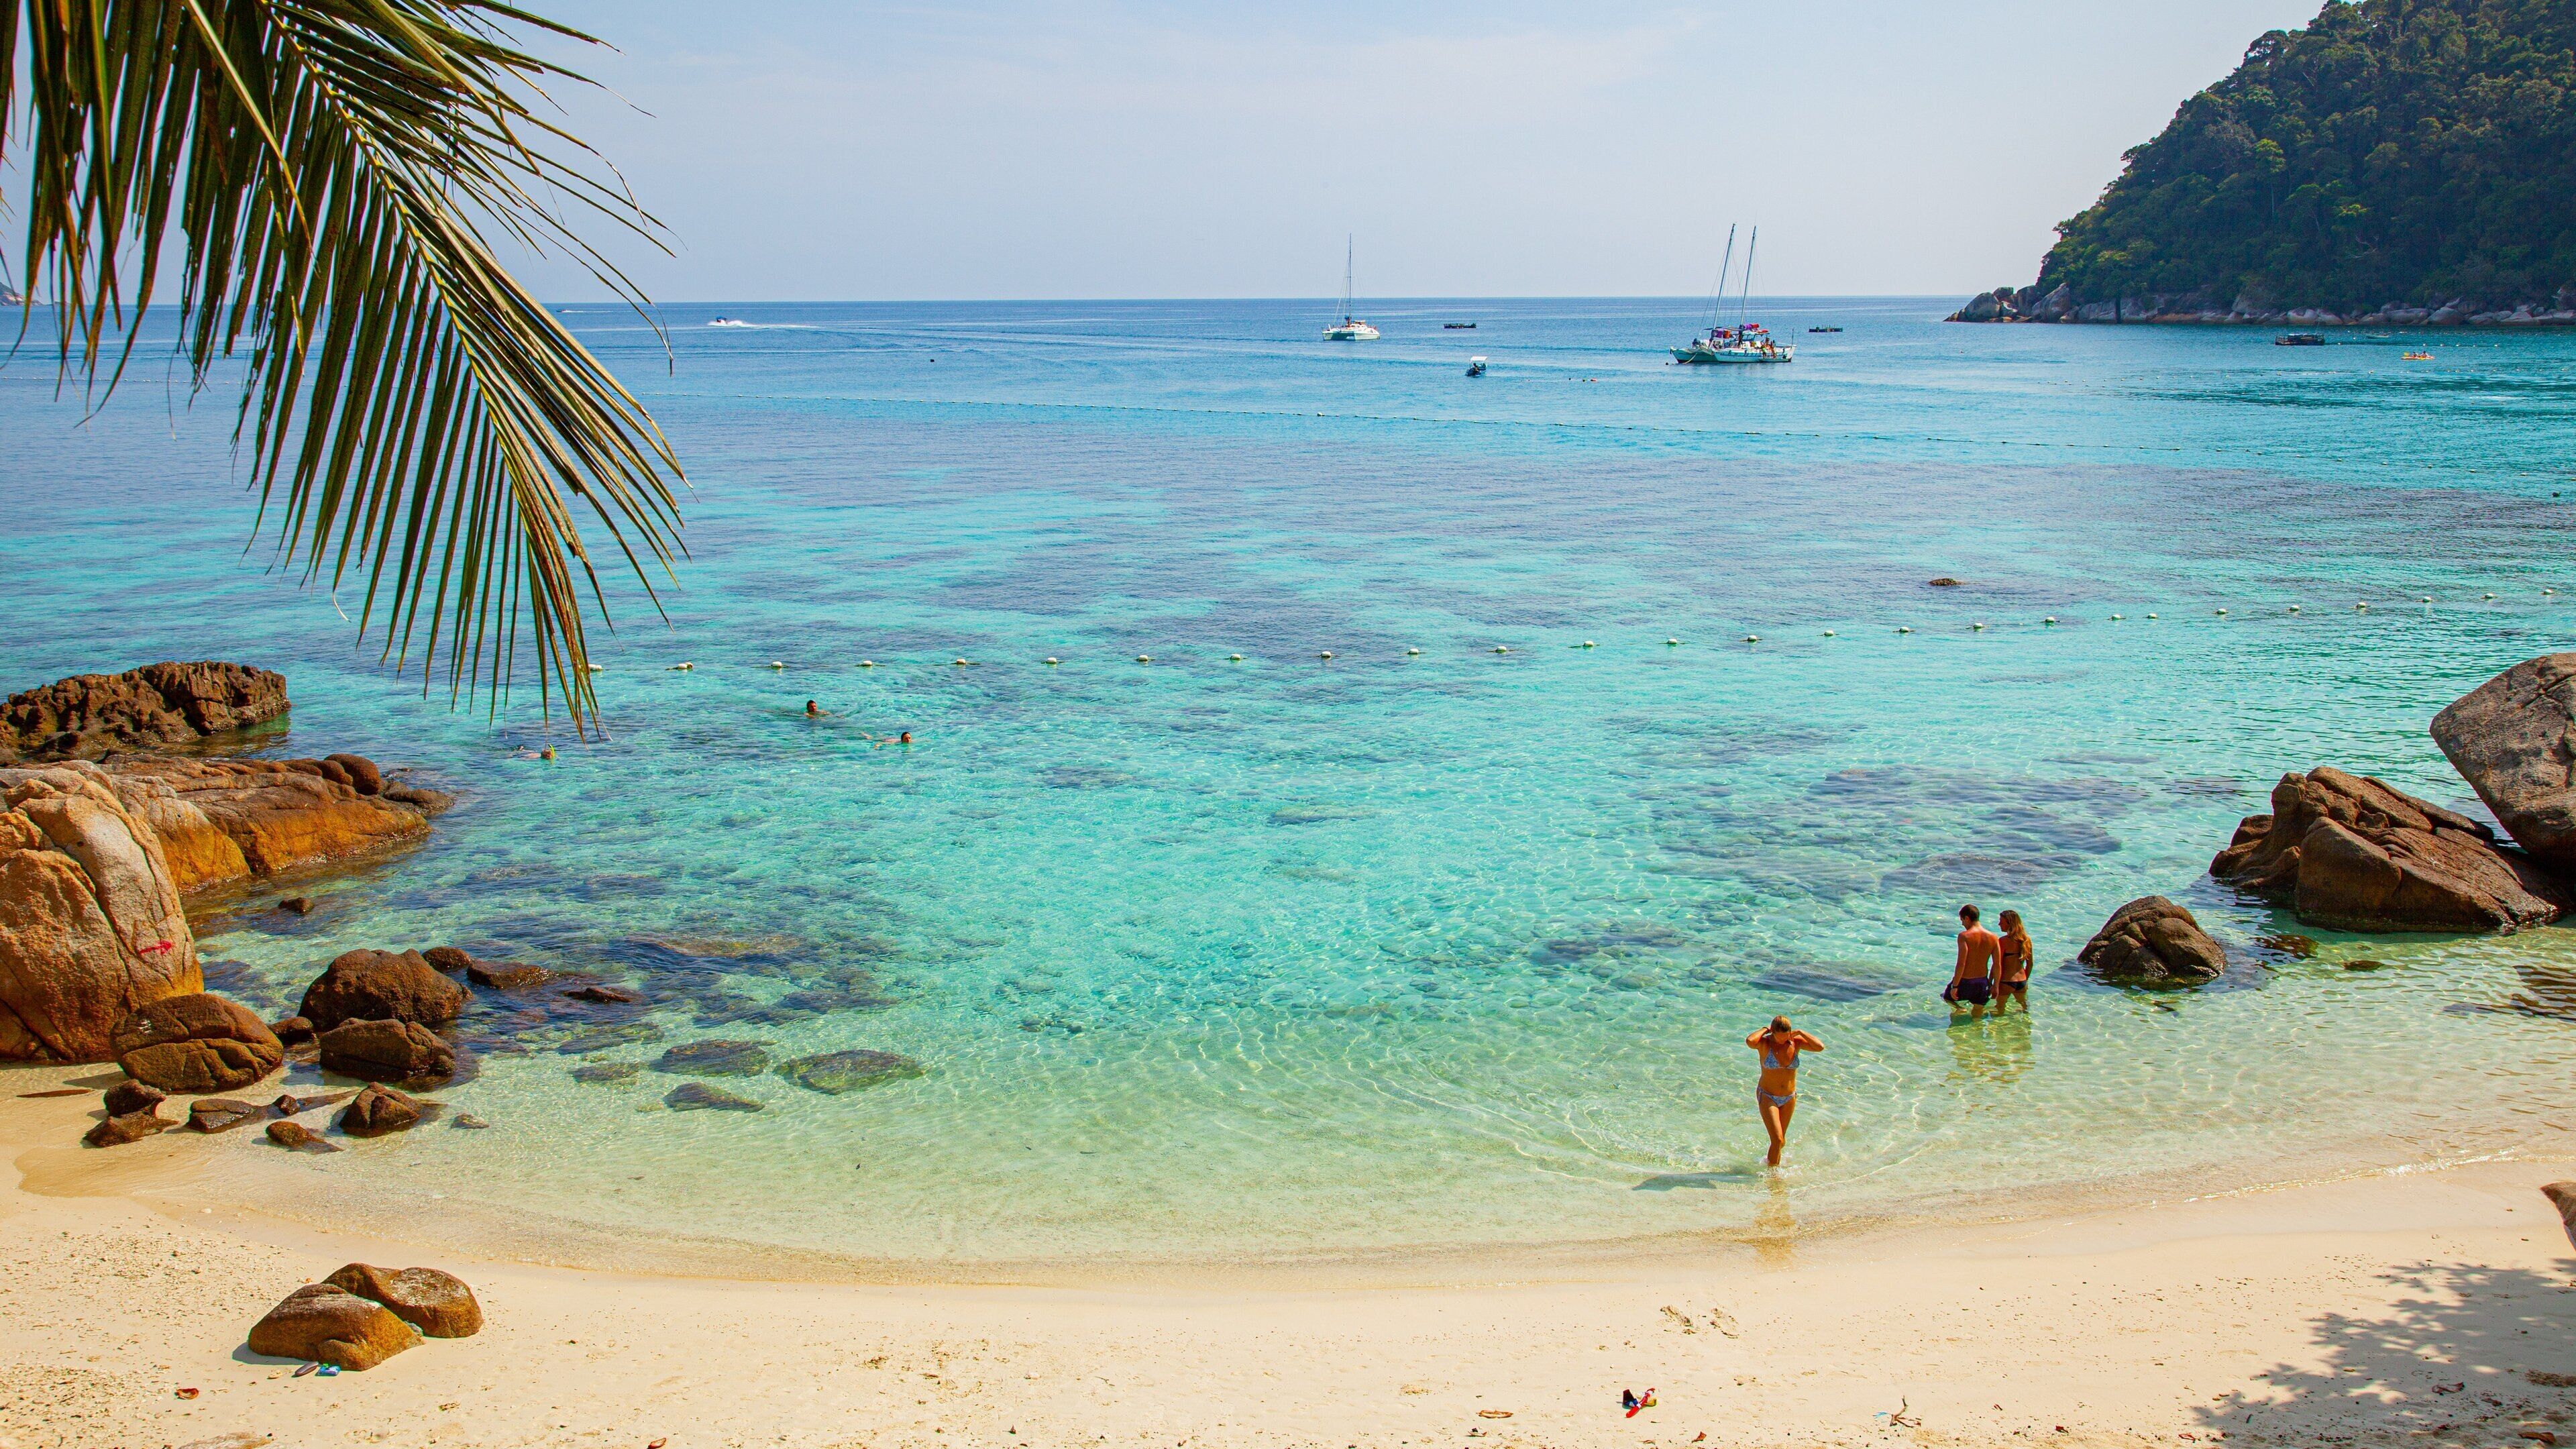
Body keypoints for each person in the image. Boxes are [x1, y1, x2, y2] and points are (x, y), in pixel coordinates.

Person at [1745, 1015, 1823, 1167]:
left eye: (1785, 1037)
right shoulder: (1765, 1044)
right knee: (1778, 1140)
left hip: (1789, 1097)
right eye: (1779, 1037)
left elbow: (1819, 1047)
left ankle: (1771, 1164)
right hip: (1768, 1096)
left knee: (1781, 1142)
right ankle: (1773, 1177)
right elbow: (1750, 1041)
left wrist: (1800, 1032)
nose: (1782, 1041)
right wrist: (1766, 1029)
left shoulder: (1796, 1043)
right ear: (1773, 1032)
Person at [1945, 904, 1999, 1015]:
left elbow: (1961, 963)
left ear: (1967, 918)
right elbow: (1997, 964)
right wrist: (1995, 985)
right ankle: (1977, 1030)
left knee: (1947, 998)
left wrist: (1955, 986)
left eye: (1962, 920)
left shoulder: (1964, 936)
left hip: (1965, 981)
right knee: (1978, 1013)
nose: (1962, 924)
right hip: (1982, 982)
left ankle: (1960, 1009)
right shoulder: (1994, 937)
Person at [1996, 910, 2033, 1010]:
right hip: (2022, 982)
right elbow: (2030, 965)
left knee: (1999, 1010)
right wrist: (2025, 981)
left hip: (2006, 982)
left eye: (2001, 922)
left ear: (2009, 924)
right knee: (2024, 1009)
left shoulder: (2003, 941)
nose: (1999, 924)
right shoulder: (2026, 940)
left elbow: (1998, 965)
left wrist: (1993, 983)